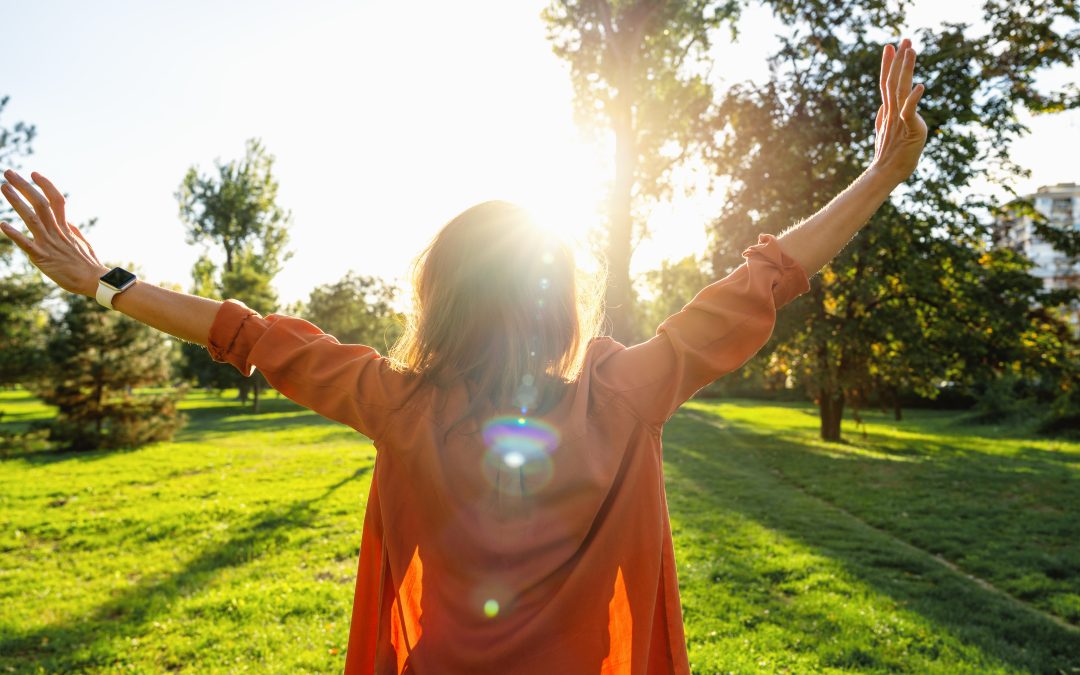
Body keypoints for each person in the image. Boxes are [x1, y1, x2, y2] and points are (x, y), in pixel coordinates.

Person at [1, 39, 925, 675]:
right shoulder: (626, 393)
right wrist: (881, 171)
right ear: (561, 302)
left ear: (436, 297)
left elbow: (242, 333)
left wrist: (103, 279)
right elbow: (763, 278)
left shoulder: (395, 401)